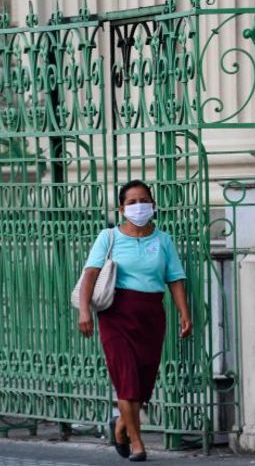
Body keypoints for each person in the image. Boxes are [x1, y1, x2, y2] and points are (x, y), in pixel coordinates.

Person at [78, 180, 192, 462]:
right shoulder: (109, 237)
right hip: (116, 313)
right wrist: (84, 311)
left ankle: (120, 426)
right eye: (131, 202)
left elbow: (174, 279)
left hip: (151, 314)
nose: (138, 206)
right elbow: (90, 275)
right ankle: (137, 442)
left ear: (153, 205)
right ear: (121, 208)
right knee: (126, 378)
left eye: (144, 200)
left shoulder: (163, 240)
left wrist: (184, 313)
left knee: (142, 381)